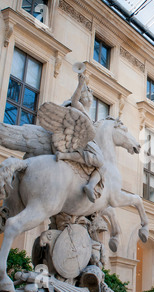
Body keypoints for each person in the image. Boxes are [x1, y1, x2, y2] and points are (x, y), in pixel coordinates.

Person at [56, 73, 104, 203]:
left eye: (89, 95)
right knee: (100, 161)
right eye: (85, 95)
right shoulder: (80, 107)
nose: (88, 97)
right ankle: (90, 185)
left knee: (103, 166)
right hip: (82, 140)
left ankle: (91, 184)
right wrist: (80, 85)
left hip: (86, 140)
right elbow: (74, 101)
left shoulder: (88, 113)